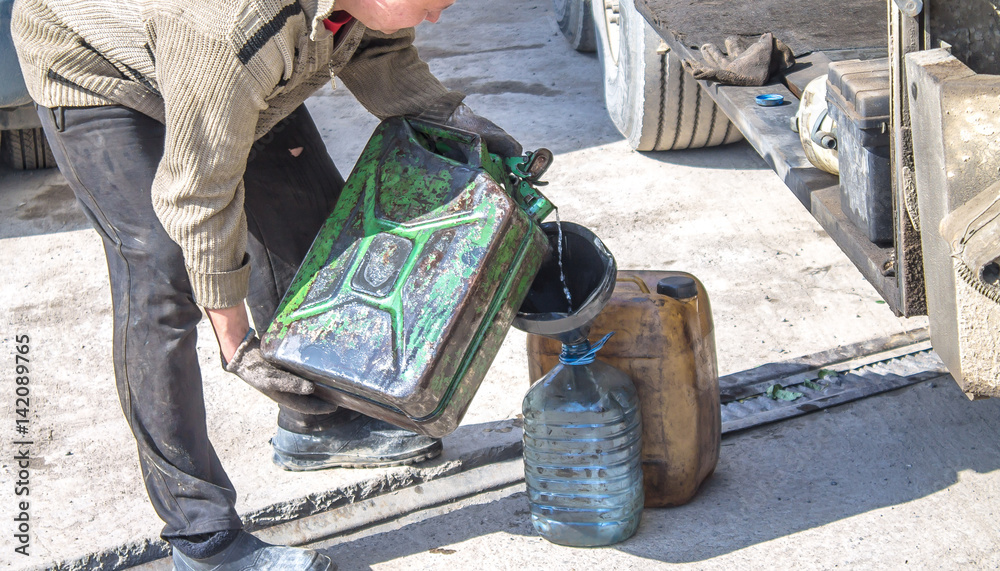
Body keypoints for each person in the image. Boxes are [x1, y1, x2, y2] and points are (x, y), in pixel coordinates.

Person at [11, 0, 522, 568]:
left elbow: (383, 57)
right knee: (161, 279)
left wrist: (480, 143)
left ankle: (319, 425)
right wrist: (238, 344)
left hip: (216, 65)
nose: (435, 19)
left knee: (311, 216)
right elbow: (199, 195)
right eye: (430, 5)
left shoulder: (349, 14)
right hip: (97, 65)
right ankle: (202, 537)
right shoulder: (234, 34)